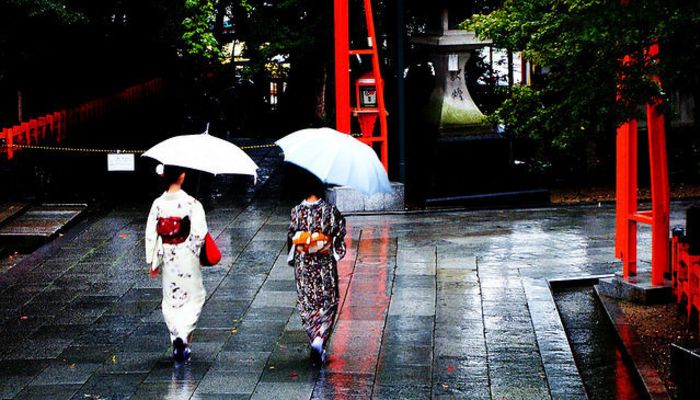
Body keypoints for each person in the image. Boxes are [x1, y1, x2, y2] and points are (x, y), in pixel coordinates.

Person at [145, 165, 208, 363]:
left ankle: (178, 341)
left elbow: (150, 234)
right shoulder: (192, 203)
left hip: (168, 256)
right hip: (187, 257)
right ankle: (182, 337)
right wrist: (195, 251)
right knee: (194, 297)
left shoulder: (158, 204)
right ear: (182, 176)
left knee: (172, 299)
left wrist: (152, 260)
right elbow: (200, 234)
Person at [287, 173, 347, 365]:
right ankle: (320, 338)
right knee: (327, 301)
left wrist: (304, 241)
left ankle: (313, 338)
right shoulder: (330, 211)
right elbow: (339, 232)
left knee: (307, 302)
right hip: (324, 266)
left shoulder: (296, 211)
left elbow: (292, 237)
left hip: (304, 266)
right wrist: (325, 242)